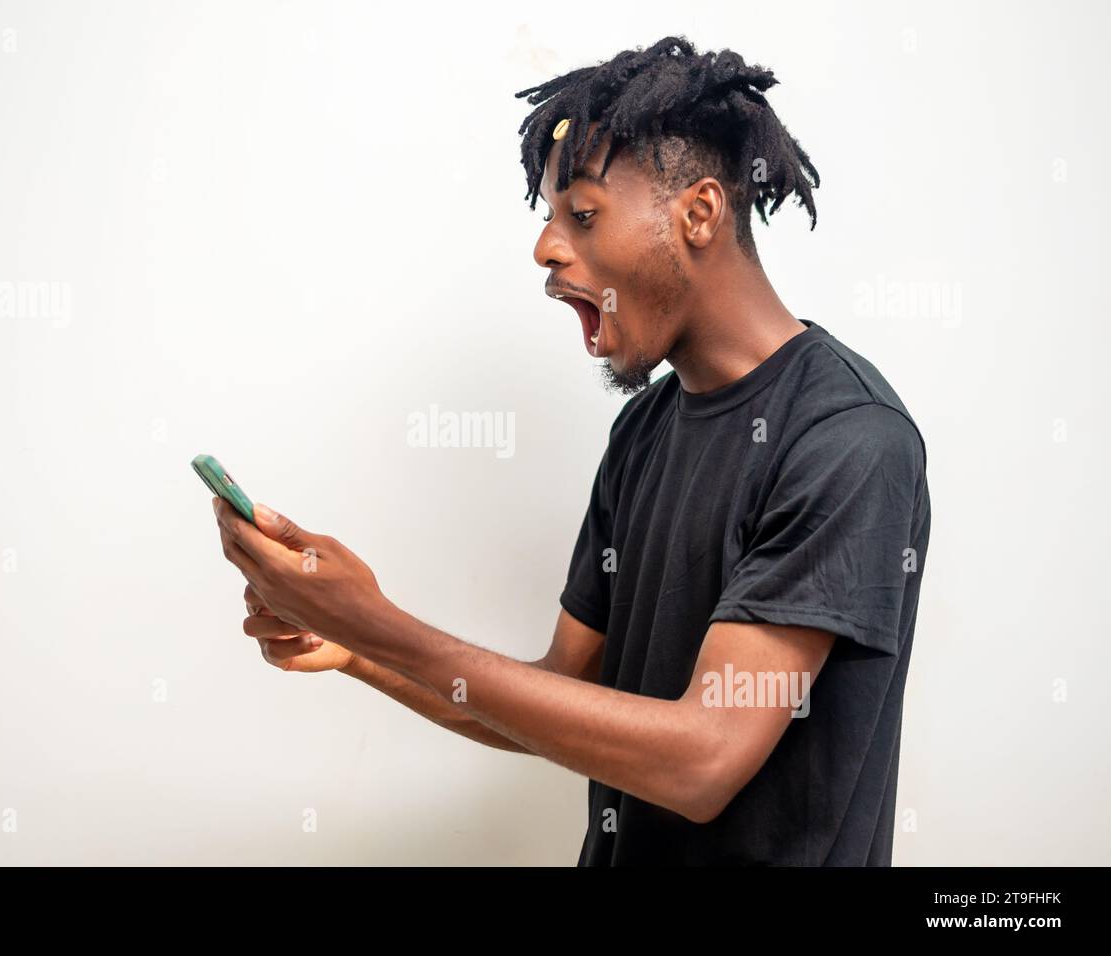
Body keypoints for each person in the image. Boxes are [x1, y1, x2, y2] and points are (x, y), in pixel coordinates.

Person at [211, 36, 931, 865]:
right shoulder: (645, 429)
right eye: (551, 221)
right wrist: (357, 646)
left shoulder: (849, 439)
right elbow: (570, 692)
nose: (547, 250)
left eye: (582, 215)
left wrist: (377, 621)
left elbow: (705, 758)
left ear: (699, 214)